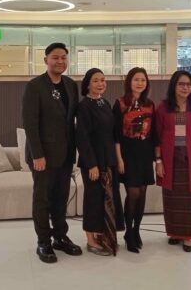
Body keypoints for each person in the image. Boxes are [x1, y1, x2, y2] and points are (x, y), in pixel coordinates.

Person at [22, 42, 82, 263]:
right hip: (43, 156)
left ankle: (60, 237)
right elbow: (30, 123)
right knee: (42, 200)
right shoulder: (35, 86)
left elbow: (72, 120)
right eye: (55, 57)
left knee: (60, 199)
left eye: (64, 57)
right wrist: (37, 154)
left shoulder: (70, 85)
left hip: (65, 153)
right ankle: (43, 242)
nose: (60, 61)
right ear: (46, 59)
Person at [155, 70, 191, 252]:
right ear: (174, 85)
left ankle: (187, 236)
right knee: (171, 199)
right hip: (170, 160)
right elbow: (157, 137)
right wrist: (158, 161)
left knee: (189, 199)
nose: (185, 87)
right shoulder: (163, 107)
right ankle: (174, 233)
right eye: (181, 84)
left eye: (189, 84)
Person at [76, 68, 124, 256]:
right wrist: (92, 164)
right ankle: (91, 240)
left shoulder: (105, 103)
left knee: (108, 200)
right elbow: (82, 138)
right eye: (96, 80)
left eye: (103, 80)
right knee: (93, 201)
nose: (100, 83)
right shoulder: (83, 106)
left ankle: (104, 236)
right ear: (88, 84)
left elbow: (113, 135)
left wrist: (118, 159)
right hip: (93, 163)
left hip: (109, 160)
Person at [113, 67, 159, 253]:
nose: (140, 83)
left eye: (143, 80)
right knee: (133, 194)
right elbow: (115, 135)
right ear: (129, 82)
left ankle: (136, 230)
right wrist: (119, 159)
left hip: (145, 153)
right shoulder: (120, 103)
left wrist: (157, 159)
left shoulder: (150, 104)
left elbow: (154, 133)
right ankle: (128, 232)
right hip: (127, 153)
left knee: (142, 194)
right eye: (136, 79)